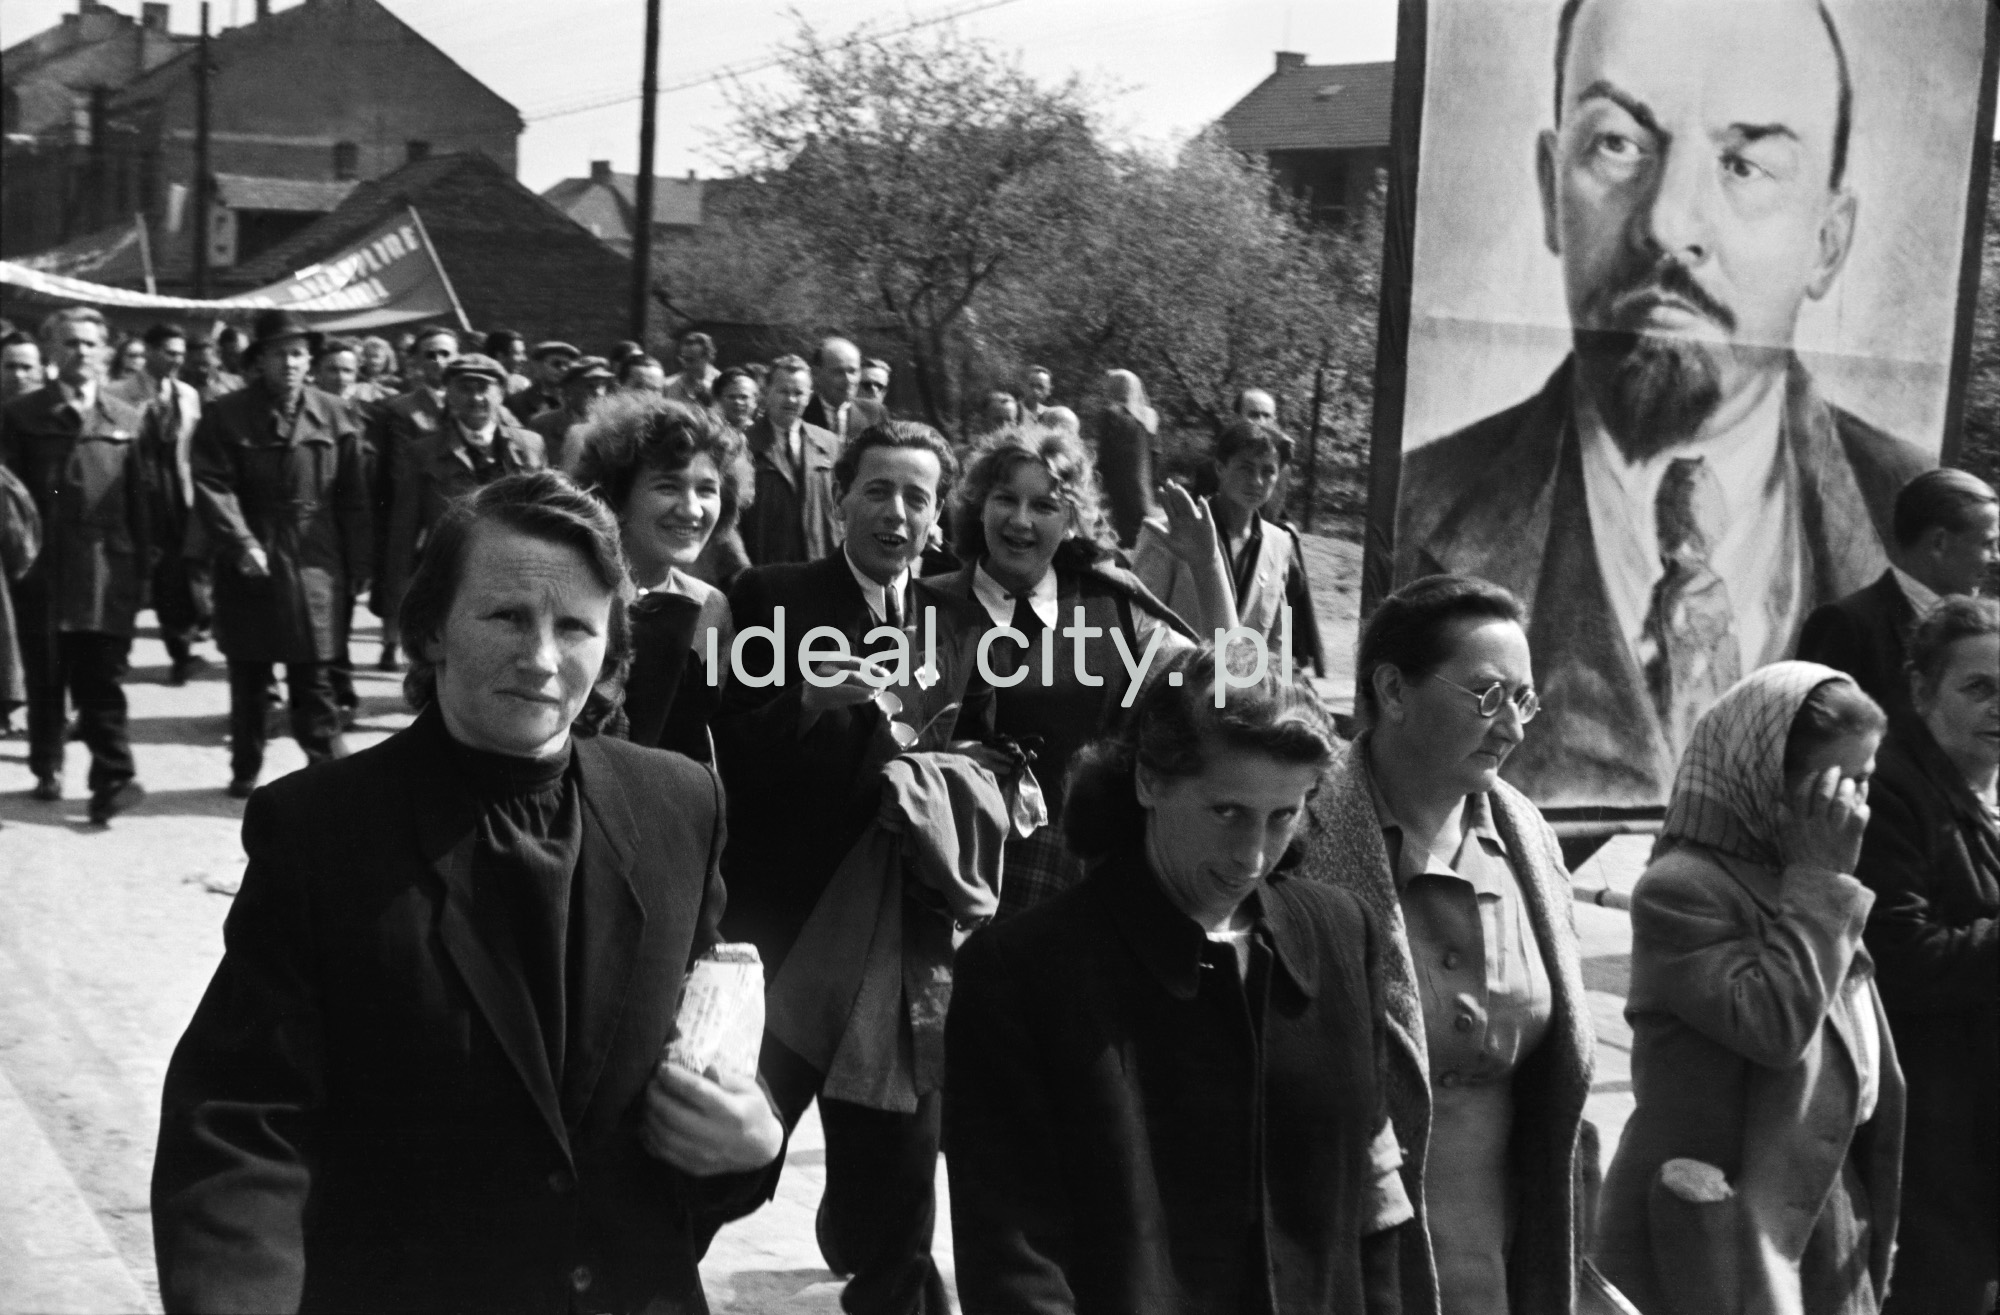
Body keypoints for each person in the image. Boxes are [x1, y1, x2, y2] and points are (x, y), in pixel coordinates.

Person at [152, 472, 785, 1314]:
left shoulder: (679, 806)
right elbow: (240, 1122)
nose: (542, 658)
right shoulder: (322, 829)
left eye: (575, 627)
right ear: (431, 628)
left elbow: (697, 1079)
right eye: (507, 617)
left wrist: (751, 1143)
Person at [1398, 0, 1935, 810]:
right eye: (1618, 144)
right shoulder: (1424, 503)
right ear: (1551, 190)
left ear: (1828, 240)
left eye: (1745, 164)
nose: (1668, 223)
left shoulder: (1909, 517)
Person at [946, 645, 1411, 1312]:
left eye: (1283, 815)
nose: (1251, 856)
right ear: (1148, 780)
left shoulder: (1342, 936)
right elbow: (1014, 1261)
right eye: (1226, 811)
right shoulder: (1023, 972)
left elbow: (1373, 1200)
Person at [715, 420, 995, 1315]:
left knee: (905, 1156)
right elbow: (722, 750)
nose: (897, 512)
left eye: (918, 496)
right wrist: (804, 698)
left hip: (903, 934)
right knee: (735, 1152)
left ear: (939, 514)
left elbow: (986, 742)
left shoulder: (962, 616)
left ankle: (897, 1283)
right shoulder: (772, 597)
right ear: (840, 499)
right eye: (878, 490)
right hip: (790, 929)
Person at [1302, 574, 1603, 1315]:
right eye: (1488, 695)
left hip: (1509, 1273)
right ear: (1393, 691)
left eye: (1524, 701)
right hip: (1351, 1272)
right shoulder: (1300, 837)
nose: (1513, 728)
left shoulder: (1527, 838)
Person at [1594, 663, 1903, 1315]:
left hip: (1823, 1217)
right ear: (1766, 781)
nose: (1854, 809)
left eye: (1864, 783)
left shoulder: (1800, 877)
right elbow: (1773, 1027)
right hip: (1715, 1237)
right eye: (1834, 786)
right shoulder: (1685, 889)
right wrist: (1821, 879)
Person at [927, 424, 1226, 916]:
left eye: (1044, 506)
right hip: (943, 873)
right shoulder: (927, 605)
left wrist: (1208, 566)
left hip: (1075, 883)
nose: (1020, 521)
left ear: (1071, 520)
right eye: (1006, 499)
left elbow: (1227, 685)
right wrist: (941, 759)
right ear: (980, 504)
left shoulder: (1112, 607)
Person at [1855, 596, 1999, 1314]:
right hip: (1930, 1114)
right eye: (1978, 687)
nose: (1999, 707)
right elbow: (1902, 957)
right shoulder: (1891, 789)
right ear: (1920, 690)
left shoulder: (1986, 782)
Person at [191, 309, 369, 798]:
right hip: (254, 553)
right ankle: (245, 765)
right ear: (259, 361)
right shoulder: (226, 414)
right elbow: (212, 484)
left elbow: (354, 497)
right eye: (278, 354)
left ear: (309, 360)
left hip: (317, 557)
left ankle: (328, 773)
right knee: (250, 673)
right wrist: (241, 540)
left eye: (297, 353)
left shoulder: (336, 413)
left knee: (315, 674)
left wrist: (359, 564)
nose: (289, 363)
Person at [1, 306, 155, 821]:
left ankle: (114, 776)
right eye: (70, 342)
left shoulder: (128, 419)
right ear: (51, 351)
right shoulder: (21, 417)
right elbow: (11, 500)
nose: (81, 352)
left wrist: (144, 572)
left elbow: (143, 502)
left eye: (90, 343)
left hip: (107, 569)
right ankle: (47, 762)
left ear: (106, 351)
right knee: (47, 671)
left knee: (101, 677)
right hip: (42, 568)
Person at [571, 394, 741, 760]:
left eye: (707, 489)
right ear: (615, 493)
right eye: (668, 486)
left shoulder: (710, 607)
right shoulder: (573, 592)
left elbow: (702, 734)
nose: (692, 509)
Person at [377, 354, 547, 666]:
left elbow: (547, 518)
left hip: (518, 573)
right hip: (452, 574)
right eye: (465, 388)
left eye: (484, 388)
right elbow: (403, 530)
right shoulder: (422, 452)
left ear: (501, 393)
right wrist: (399, 596)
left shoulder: (529, 445)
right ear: (450, 394)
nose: (476, 398)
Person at [1798, 467, 1998, 723]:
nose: (1996, 558)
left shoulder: (1979, 632)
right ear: (1939, 543)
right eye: (1987, 544)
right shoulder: (1846, 624)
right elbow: (1814, 739)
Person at [1135, 418, 1327, 681]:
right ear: (1220, 468)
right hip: (1176, 689)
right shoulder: (1168, 532)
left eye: (1268, 471)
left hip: (1242, 701)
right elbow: (1139, 623)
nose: (1257, 481)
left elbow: (1276, 641)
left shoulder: (1279, 543)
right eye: (1246, 469)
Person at [111, 323, 211, 686]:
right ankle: (114, 661)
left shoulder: (187, 395)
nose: (176, 361)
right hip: (136, 496)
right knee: (128, 579)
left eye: (181, 355)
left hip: (175, 497)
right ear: (149, 351)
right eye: (169, 353)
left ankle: (181, 654)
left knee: (176, 580)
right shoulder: (117, 393)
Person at [365, 325, 458, 670]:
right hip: (408, 497)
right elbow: (396, 464)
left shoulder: (467, 400)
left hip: (453, 501)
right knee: (399, 574)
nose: (438, 361)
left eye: (446, 353)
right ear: (416, 362)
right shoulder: (401, 408)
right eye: (430, 354)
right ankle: (391, 641)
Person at [736, 354, 841, 567]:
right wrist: (741, 567)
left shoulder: (829, 444)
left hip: (819, 566)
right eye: (783, 391)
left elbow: (843, 508)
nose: (791, 400)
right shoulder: (742, 445)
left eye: (798, 393)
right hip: (766, 568)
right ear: (766, 392)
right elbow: (730, 518)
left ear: (809, 396)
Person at [1091, 368, 1160, 548]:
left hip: (1119, 485)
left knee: (1120, 533)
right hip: (1142, 486)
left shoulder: (1111, 413)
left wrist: (1094, 482)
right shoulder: (1149, 417)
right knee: (1140, 532)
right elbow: (1156, 455)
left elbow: (1105, 453)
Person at [531, 355, 615, 472]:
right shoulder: (542, 424)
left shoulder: (612, 426)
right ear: (570, 389)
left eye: (602, 385)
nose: (598, 393)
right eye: (590, 386)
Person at [804, 335, 889, 441]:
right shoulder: (802, 412)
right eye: (839, 372)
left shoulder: (875, 413)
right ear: (816, 373)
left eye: (853, 371)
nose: (848, 380)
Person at [507, 340, 580, 423]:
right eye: (556, 364)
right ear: (538, 366)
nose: (563, 369)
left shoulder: (575, 402)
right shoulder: (517, 402)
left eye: (567, 365)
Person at [663, 330, 720, 406]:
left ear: (707, 357)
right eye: (683, 358)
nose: (685, 364)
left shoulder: (722, 385)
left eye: (690, 360)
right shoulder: (668, 386)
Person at [180, 334, 242, 403]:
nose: (201, 370)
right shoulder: (177, 390)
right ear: (185, 362)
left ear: (217, 360)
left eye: (206, 364)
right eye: (195, 365)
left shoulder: (236, 384)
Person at [482, 328, 533, 395]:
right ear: (500, 356)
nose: (524, 359)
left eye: (523, 353)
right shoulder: (521, 384)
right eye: (518, 354)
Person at [712, 365, 761, 436]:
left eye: (744, 397)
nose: (737, 402)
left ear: (755, 402)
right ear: (718, 399)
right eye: (731, 397)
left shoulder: (762, 436)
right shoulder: (708, 432)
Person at [2, 330, 45, 404]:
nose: (18, 375)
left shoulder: (63, 413)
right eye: (10, 366)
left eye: (26, 367)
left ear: (41, 371)